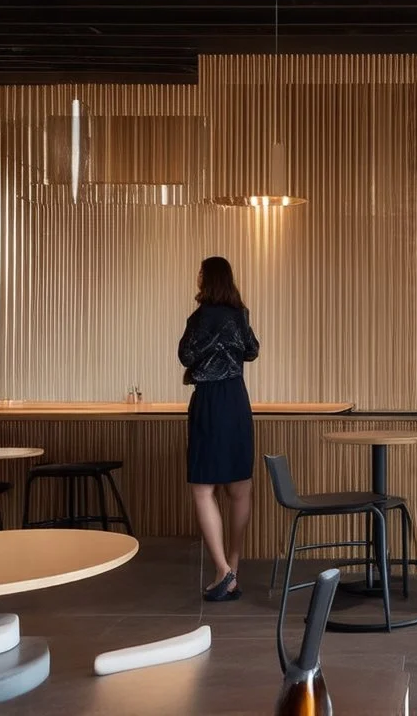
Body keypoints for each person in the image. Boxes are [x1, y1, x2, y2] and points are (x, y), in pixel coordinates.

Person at [178, 256, 260, 602]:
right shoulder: (240, 314)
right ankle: (234, 567)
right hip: (237, 401)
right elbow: (252, 351)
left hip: (210, 402)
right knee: (240, 488)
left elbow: (186, 356)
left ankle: (222, 570)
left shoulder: (199, 318)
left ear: (206, 280)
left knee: (203, 488)